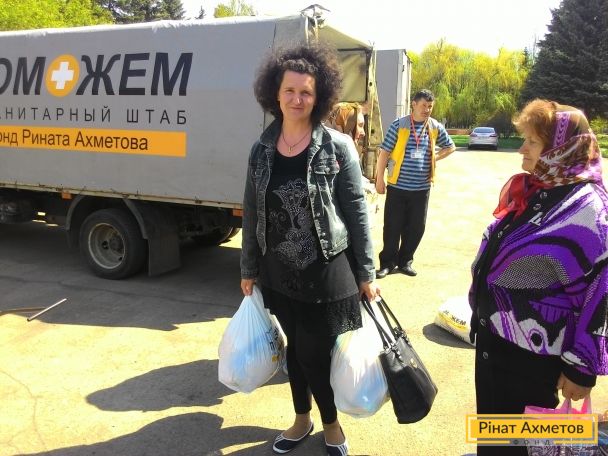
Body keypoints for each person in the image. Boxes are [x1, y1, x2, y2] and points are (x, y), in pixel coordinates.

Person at [240, 43, 380, 456]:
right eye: (290, 90)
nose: (297, 99)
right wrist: (248, 267)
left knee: (313, 354)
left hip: (326, 271)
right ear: (275, 93)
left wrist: (367, 272)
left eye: (306, 92)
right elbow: (252, 210)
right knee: (295, 353)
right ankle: (302, 419)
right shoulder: (261, 150)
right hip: (277, 271)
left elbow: (356, 212)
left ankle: (332, 425)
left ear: (319, 97)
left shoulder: (338, 147)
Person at [469, 99, 608, 455]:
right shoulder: (540, 189)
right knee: (495, 441)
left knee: (520, 447)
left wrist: (582, 366)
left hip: (532, 360)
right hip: (495, 344)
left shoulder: (588, 209)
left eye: (532, 141)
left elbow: (601, 290)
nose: (522, 149)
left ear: (562, 149)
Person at [374, 89, 455, 278]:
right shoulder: (399, 125)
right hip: (397, 187)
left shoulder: (434, 126)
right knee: (392, 227)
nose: (427, 110)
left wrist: (434, 157)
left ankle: (405, 262)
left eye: (430, 106)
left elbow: (450, 146)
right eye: (424, 105)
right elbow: (384, 153)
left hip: (421, 189)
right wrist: (379, 179)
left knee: (416, 228)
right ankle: (387, 263)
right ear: (414, 104)